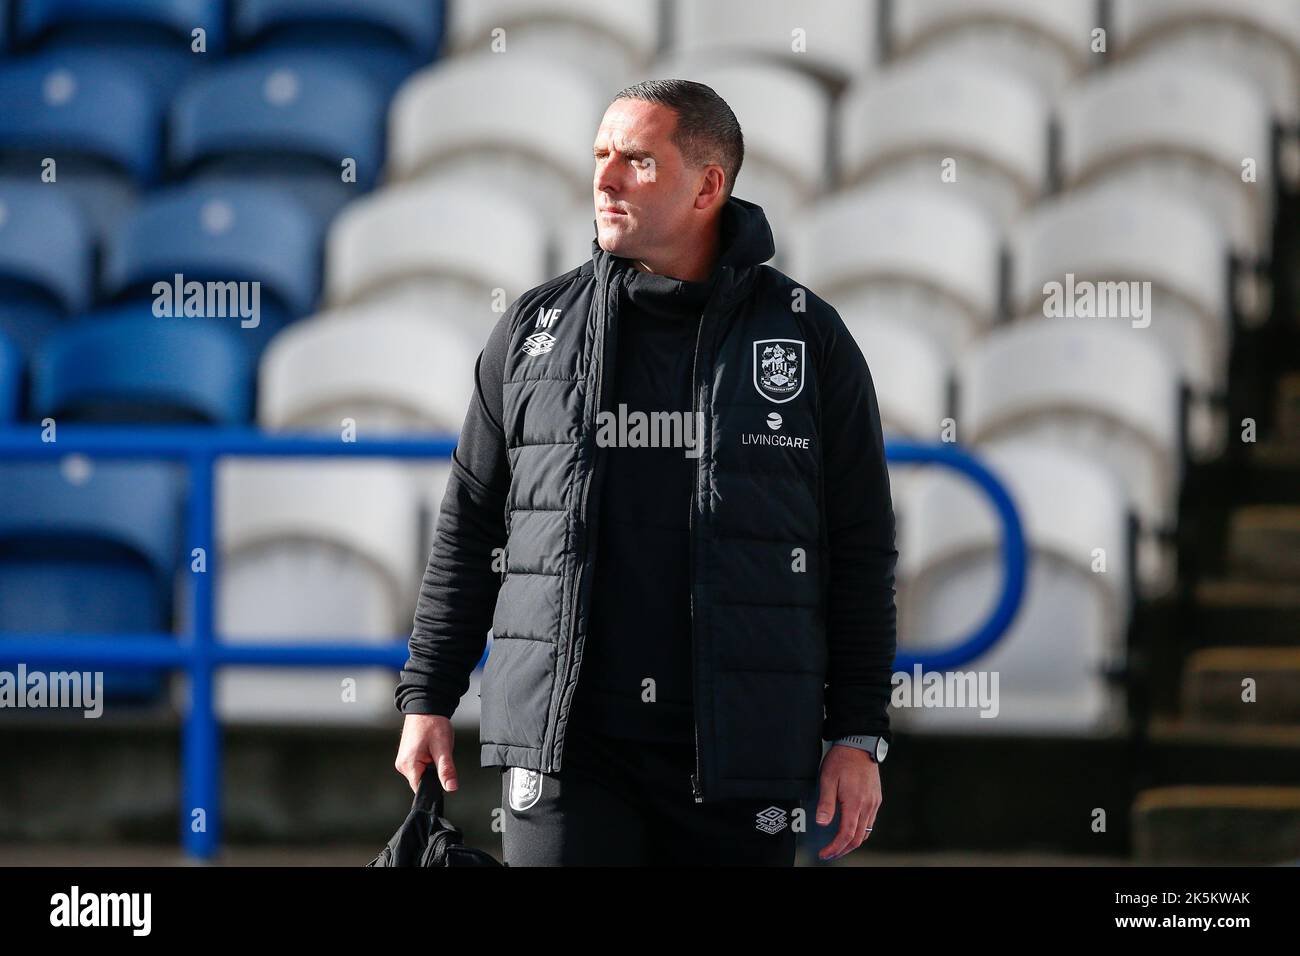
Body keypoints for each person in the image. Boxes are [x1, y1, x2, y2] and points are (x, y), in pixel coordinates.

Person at [393, 79, 897, 866]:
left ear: (708, 185)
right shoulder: (533, 330)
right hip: (567, 749)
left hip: (741, 752)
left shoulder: (807, 339)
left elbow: (862, 550)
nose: (606, 178)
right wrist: (428, 693)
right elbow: (471, 524)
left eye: (638, 160)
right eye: (600, 156)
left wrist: (858, 732)